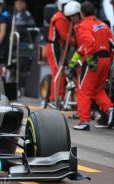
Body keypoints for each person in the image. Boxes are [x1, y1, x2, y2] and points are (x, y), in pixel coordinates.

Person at [65, 1, 114, 130]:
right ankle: (110, 109)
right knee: (97, 90)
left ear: (81, 13)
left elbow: (88, 43)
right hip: (106, 60)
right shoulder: (103, 25)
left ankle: (84, 121)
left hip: (94, 60)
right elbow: (111, 44)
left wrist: (90, 61)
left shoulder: (83, 25)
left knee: (83, 90)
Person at [45, 0, 74, 103]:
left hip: (58, 47)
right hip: (54, 47)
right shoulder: (60, 18)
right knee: (58, 73)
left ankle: (59, 97)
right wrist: (76, 41)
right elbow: (65, 36)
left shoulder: (64, 17)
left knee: (61, 72)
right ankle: (55, 98)